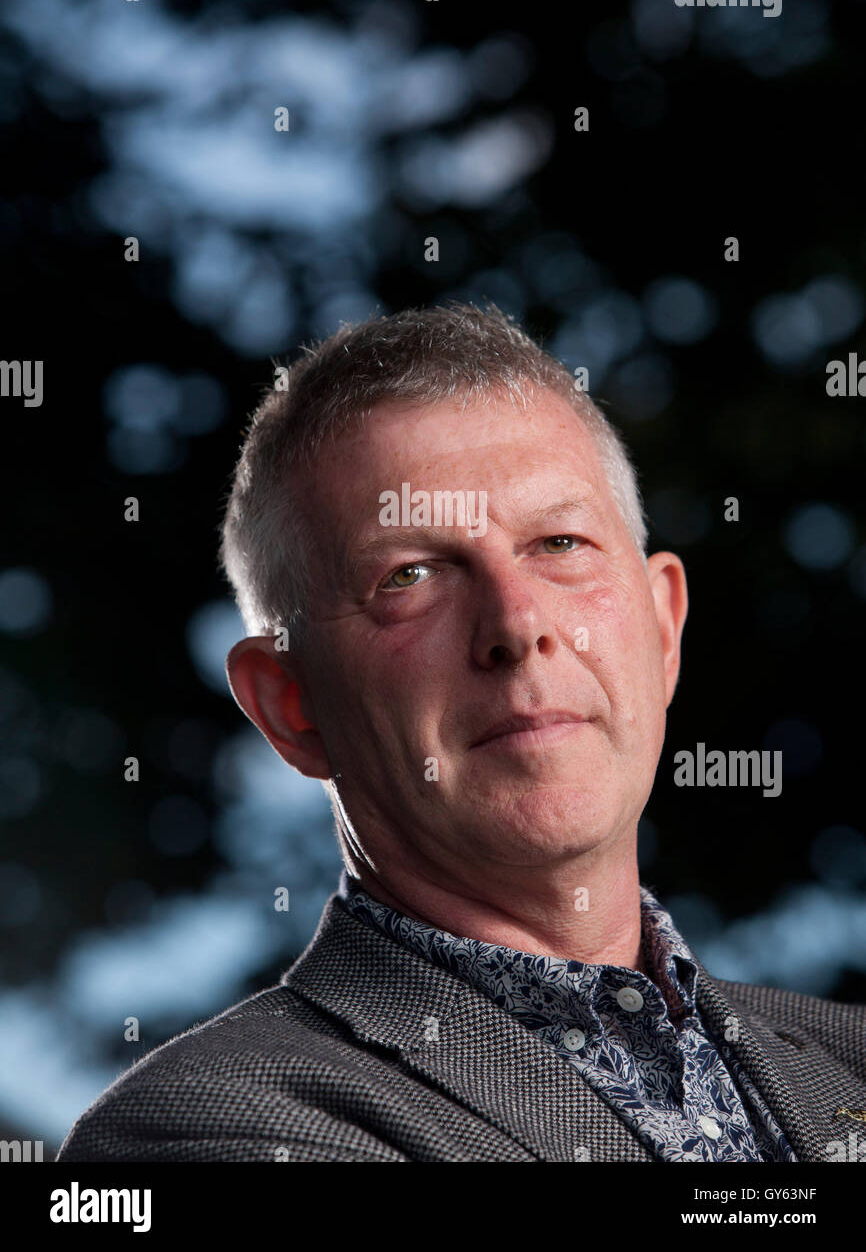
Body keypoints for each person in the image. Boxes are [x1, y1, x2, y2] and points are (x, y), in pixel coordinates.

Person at [57, 302, 866, 1162]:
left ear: (664, 631)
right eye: (410, 574)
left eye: (560, 541)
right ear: (291, 705)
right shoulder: (206, 1130)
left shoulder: (849, 1060)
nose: (518, 625)